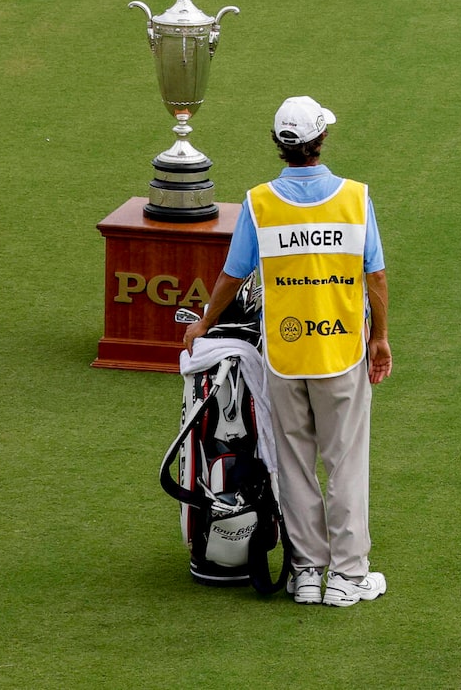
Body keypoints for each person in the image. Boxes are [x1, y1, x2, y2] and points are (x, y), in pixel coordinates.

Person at [181, 95, 392, 608]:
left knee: (293, 464)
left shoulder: (259, 203)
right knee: (345, 464)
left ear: (281, 145)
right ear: (321, 140)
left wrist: (203, 325)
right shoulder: (355, 198)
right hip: (341, 351)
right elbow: (376, 277)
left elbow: (233, 276)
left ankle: (305, 573)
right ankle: (347, 575)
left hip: (283, 355)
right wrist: (380, 339)